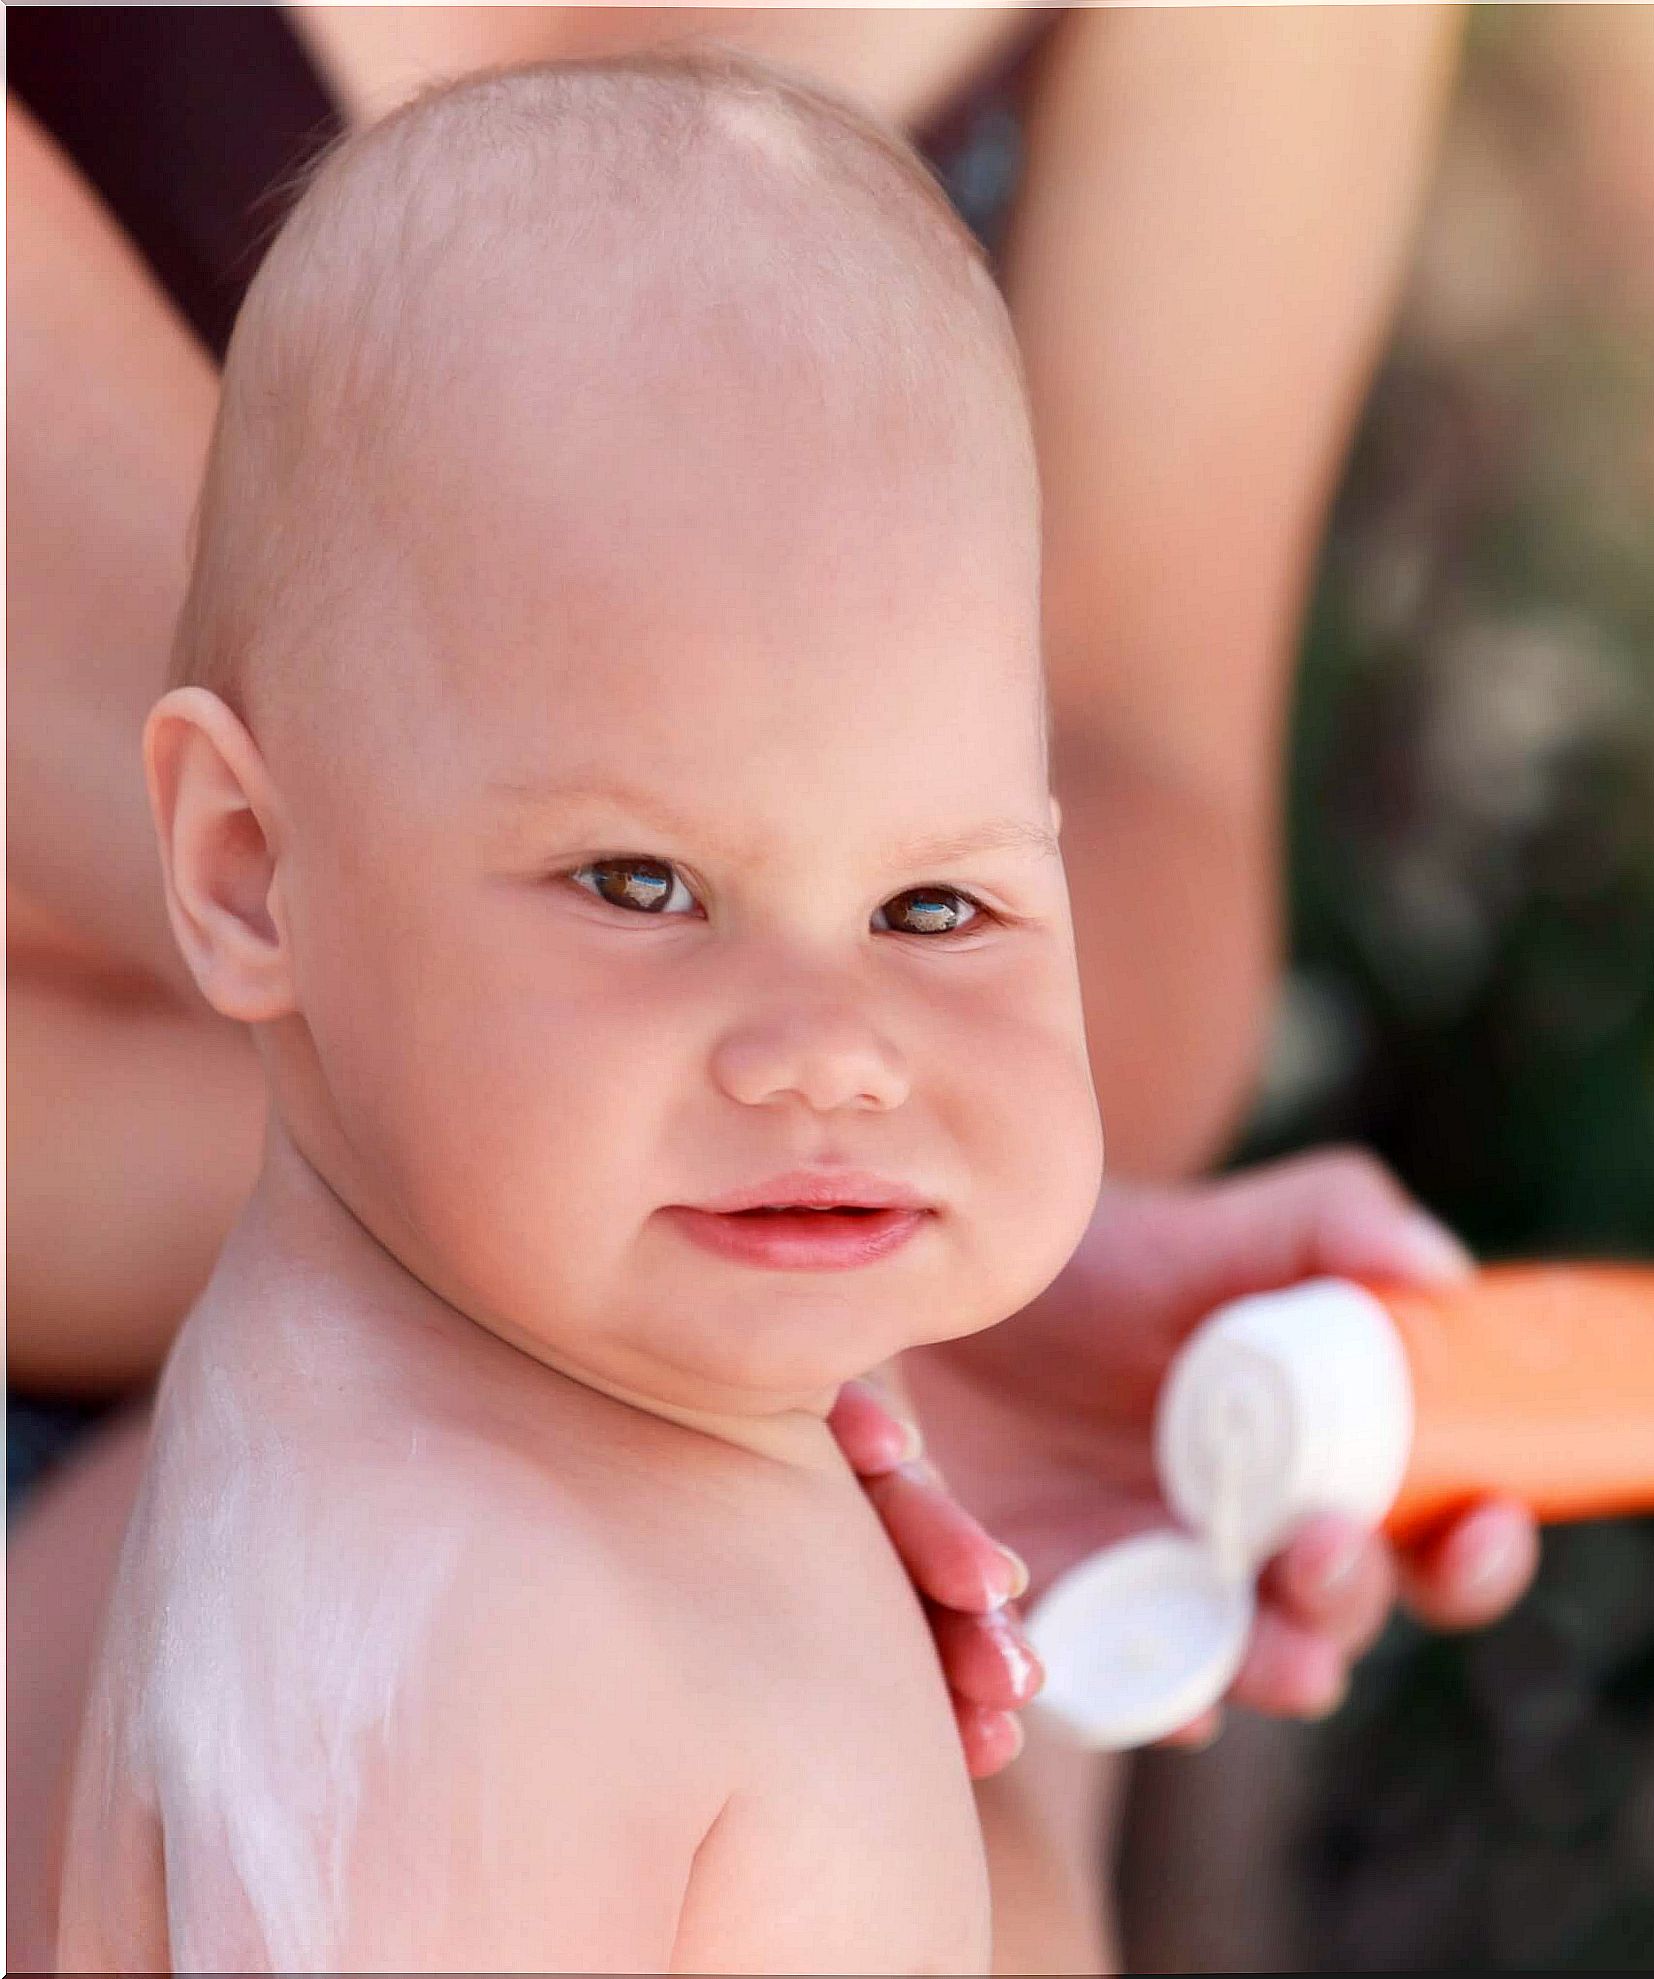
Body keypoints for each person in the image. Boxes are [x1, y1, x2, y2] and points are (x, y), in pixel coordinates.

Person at [8, 10, 1539, 1971]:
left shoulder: (441, 1442)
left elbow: (1145, 777)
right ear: (241, 865)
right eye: (642, 882)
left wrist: (853, 1310)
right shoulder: (468, 1653)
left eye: (932, 906)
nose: (833, 1048)